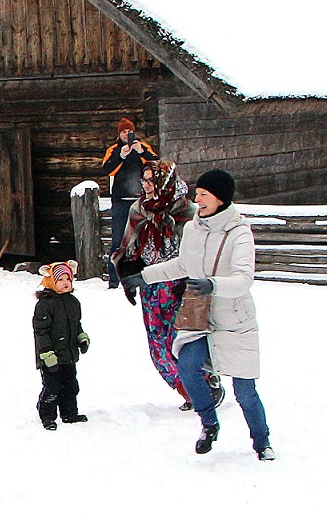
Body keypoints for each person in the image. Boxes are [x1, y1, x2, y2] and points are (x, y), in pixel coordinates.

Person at [125, 169, 275, 460]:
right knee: (187, 367)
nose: (198, 199)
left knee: (244, 391)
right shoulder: (194, 228)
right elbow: (183, 265)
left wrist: (213, 284)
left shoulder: (239, 233)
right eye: (198, 194)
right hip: (200, 318)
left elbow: (245, 279)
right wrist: (145, 276)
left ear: (220, 199)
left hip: (234, 321)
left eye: (204, 195)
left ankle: (262, 441)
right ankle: (209, 423)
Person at [113, 161, 218, 410]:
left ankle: (204, 385)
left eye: (151, 181)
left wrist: (194, 280)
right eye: (144, 181)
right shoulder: (139, 209)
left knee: (181, 341)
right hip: (150, 284)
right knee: (157, 346)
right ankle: (189, 391)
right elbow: (129, 245)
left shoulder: (188, 213)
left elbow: (201, 252)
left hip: (180, 286)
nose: (146, 186)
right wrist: (128, 270)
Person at [100, 117, 158, 286]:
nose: (127, 134)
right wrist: (121, 156)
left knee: (142, 239)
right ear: (119, 134)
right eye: (124, 132)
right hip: (121, 201)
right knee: (118, 240)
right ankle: (114, 280)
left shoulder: (143, 147)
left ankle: (139, 276)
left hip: (141, 201)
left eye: (129, 131)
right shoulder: (114, 149)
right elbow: (108, 169)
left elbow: (156, 165)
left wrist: (142, 153)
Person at [32, 261, 90, 429]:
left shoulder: (73, 302)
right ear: (51, 281)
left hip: (69, 354)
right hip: (51, 356)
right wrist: (46, 353)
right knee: (52, 387)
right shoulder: (45, 304)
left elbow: (76, 324)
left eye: (68, 279)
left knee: (70, 385)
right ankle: (47, 415)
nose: (65, 283)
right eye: (60, 279)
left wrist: (81, 338)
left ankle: (69, 413)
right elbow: (41, 331)